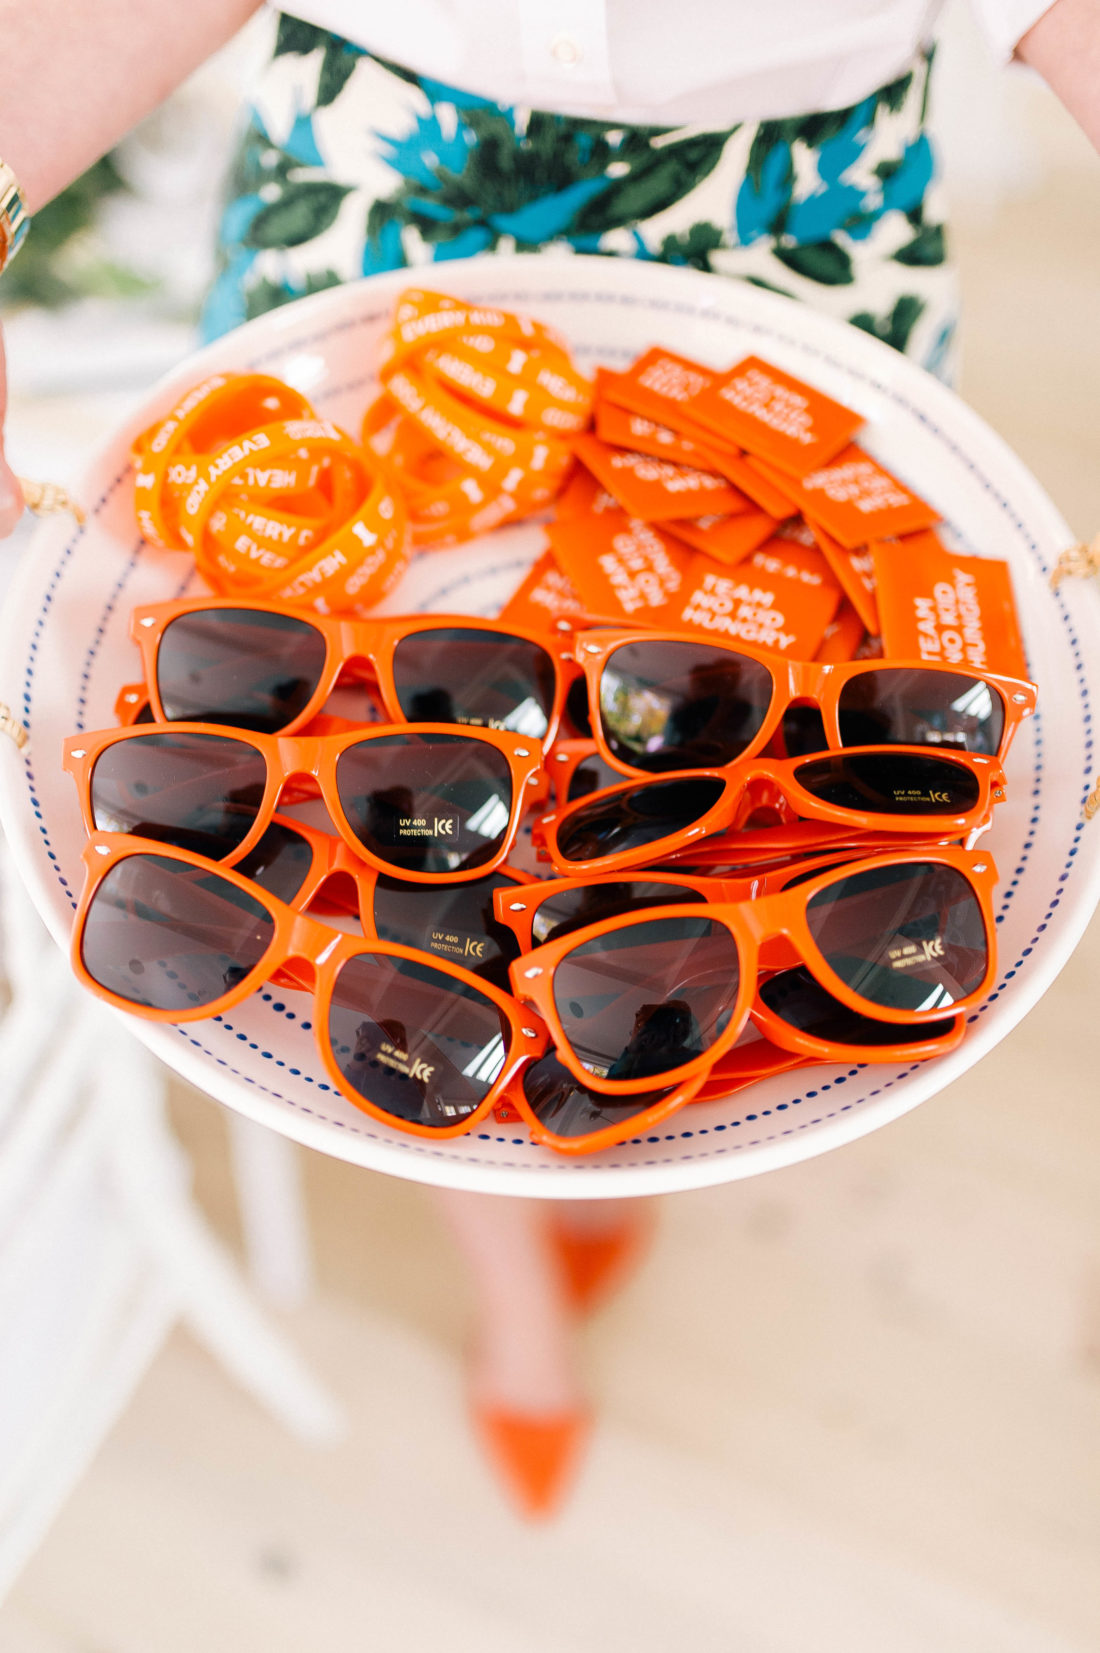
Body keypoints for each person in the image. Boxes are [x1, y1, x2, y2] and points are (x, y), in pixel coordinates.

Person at [0, 0, 1096, 1518]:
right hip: (363, 229)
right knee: (407, 878)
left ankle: (638, 1111)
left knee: (794, 833)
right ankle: (516, 1294)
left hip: (796, 236)